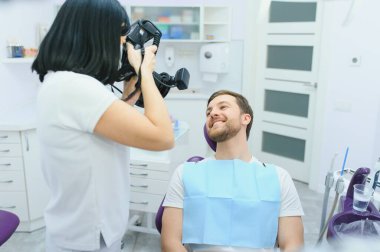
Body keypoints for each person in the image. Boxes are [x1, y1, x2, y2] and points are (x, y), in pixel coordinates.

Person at [31, 0, 174, 251]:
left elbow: (104, 127)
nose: (122, 42)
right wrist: (146, 71)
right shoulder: (75, 87)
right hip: (85, 239)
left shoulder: (62, 82)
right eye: (119, 32)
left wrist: (131, 91)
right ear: (95, 33)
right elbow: (162, 137)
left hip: (78, 232)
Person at [161, 90, 304, 252]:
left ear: (246, 118)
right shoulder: (185, 173)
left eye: (223, 107)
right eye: (209, 112)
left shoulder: (279, 178)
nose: (213, 113)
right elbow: (170, 242)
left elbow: (293, 245)